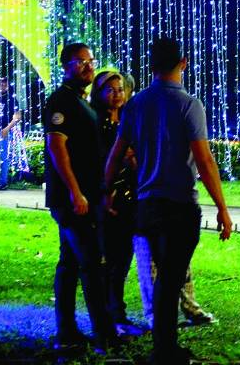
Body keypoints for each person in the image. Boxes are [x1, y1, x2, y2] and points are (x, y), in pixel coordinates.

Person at [105, 38, 232, 365]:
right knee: (171, 278)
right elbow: (204, 161)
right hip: (179, 205)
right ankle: (164, 350)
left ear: (151, 66)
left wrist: (105, 191)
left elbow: (116, 154)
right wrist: (222, 209)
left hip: (147, 206)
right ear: (184, 63)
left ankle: (166, 346)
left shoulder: (135, 106)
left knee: (166, 277)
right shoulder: (189, 105)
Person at [44, 42, 120, 353]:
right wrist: (75, 191)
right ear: (65, 66)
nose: (88, 67)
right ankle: (104, 336)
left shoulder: (81, 101)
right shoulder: (61, 101)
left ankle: (67, 332)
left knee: (70, 264)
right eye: (80, 62)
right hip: (72, 199)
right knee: (91, 263)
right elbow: (57, 149)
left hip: (84, 196)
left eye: (90, 61)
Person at [91, 70, 141, 335]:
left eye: (120, 89)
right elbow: (100, 160)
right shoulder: (96, 124)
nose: (117, 94)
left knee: (123, 258)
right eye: (110, 90)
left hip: (130, 197)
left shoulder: (129, 120)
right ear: (98, 94)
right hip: (107, 197)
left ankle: (117, 309)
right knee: (108, 259)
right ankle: (109, 313)